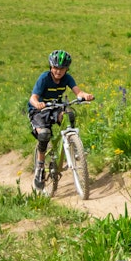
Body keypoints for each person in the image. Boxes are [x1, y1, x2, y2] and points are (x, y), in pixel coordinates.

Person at [27, 49, 94, 191]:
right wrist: (38, 103)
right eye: (55, 68)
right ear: (51, 67)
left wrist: (85, 95)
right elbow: (33, 98)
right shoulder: (44, 78)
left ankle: (72, 144)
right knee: (44, 134)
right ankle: (39, 168)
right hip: (38, 110)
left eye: (62, 68)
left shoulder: (67, 78)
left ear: (66, 69)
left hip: (55, 107)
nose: (58, 71)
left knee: (69, 114)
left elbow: (78, 92)